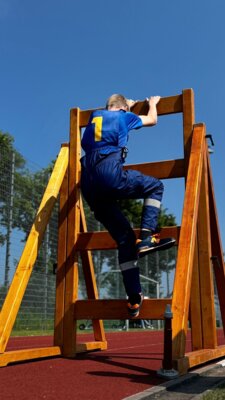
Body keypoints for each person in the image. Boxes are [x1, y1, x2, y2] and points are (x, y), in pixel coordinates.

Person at [80, 94, 175, 318]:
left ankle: (134, 297)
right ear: (123, 107)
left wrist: (126, 106)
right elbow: (152, 120)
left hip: (88, 184)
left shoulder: (93, 118)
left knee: (124, 238)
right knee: (155, 187)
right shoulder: (124, 117)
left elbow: (110, 114)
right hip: (109, 174)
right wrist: (151, 105)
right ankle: (146, 236)